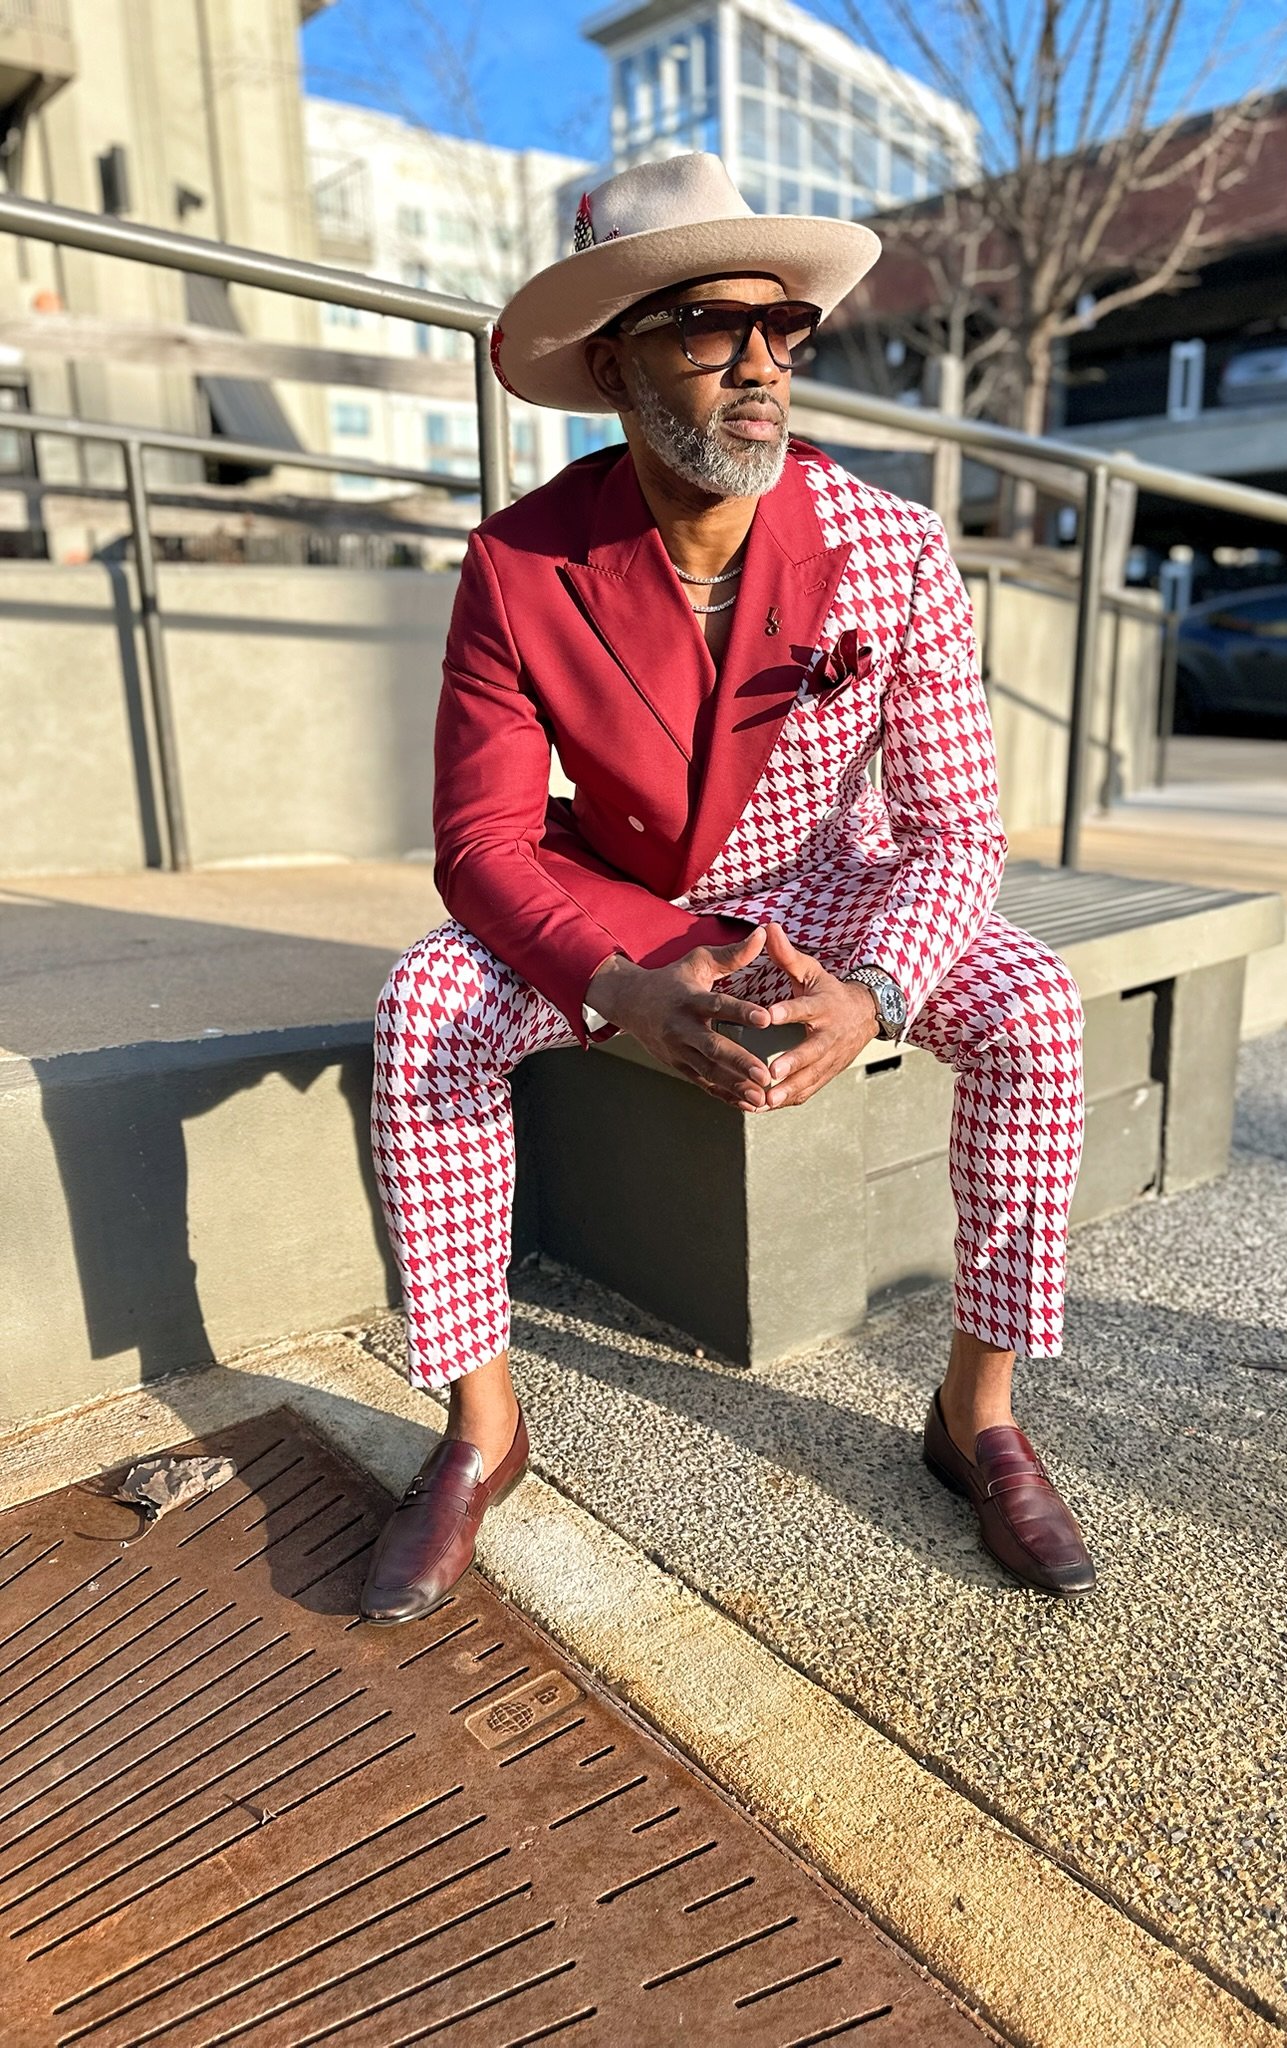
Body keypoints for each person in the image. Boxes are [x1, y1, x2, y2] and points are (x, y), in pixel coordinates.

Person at [359, 154, 1095, 1626]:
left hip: (829, 887)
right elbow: (482, 842)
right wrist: (617, 988)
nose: (761, 366)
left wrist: (876, 991)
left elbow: (957, 833)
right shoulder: (519, 563)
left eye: (782, 327)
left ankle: (978, 1414)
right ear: (615, 362)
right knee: (428, 1003)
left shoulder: (893, 550)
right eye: (708, 326)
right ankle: (483, 1427)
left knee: (1034, 1005)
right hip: (622, 895)